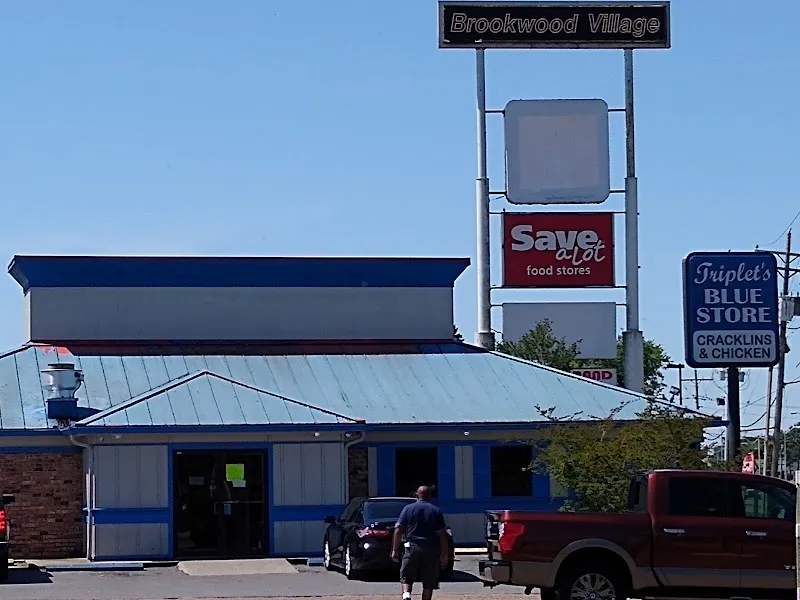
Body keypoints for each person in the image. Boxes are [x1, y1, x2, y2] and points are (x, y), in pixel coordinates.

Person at [391, 485, 449, 600]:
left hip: (411, 547)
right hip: (430, 549)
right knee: (429, 583)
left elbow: (398, 531)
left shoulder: (408, 509)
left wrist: (395, 549)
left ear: (417, 495)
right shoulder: (435, 511)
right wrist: (444, 553)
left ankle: (406, 595)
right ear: (430, 496)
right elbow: (442, 534)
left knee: (406, 577)